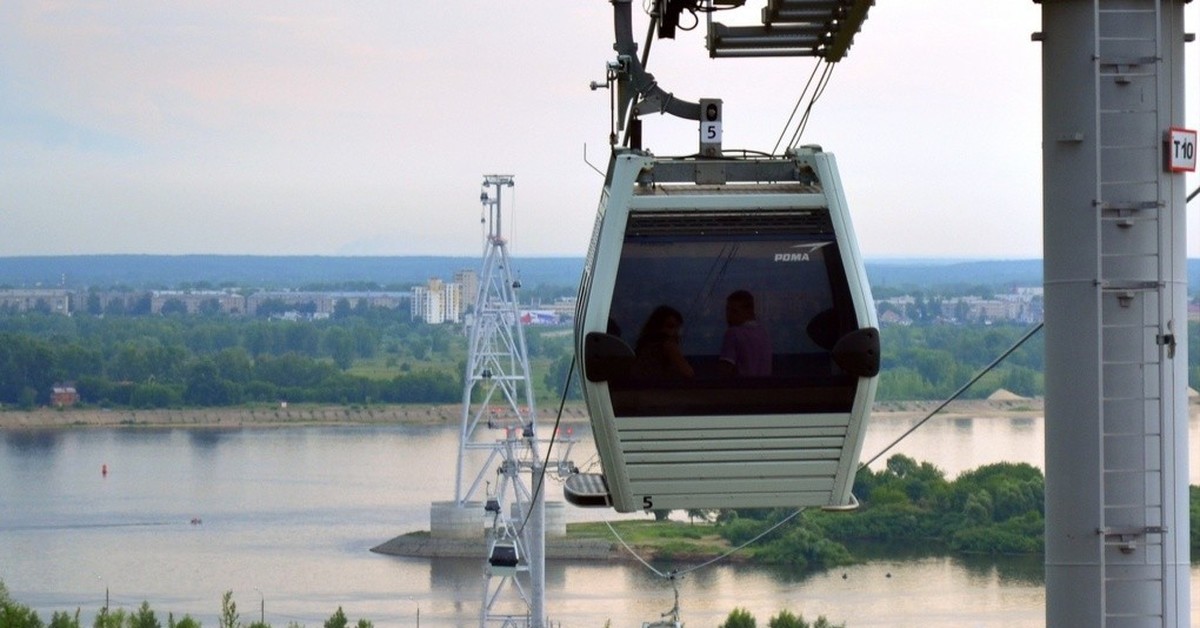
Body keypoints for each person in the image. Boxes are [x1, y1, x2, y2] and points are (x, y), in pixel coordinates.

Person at [631, 305, 695, 379]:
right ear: (657, 327)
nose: (676, 332)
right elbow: (688, 373)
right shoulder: (667, 345)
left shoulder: (643, 349)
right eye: (670, 326)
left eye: (678, 328)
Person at [719, 290, 772, 376]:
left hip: (741, 388)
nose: (728, 316)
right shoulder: (763, 333)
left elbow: (725, 369)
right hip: (764, 388)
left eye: (734, 311)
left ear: (749, 312)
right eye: (727, 310)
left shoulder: (733, 333)